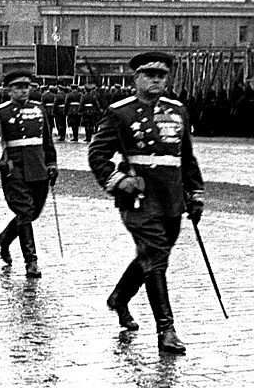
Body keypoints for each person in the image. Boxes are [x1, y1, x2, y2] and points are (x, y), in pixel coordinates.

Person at [88, 51, 203, 355]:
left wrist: (195, 194)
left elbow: (186, 158)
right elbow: (97, 155)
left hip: (171, 198)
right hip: (138, 198)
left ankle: (120, 297)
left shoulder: (178, 111)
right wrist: (118, 181)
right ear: (136, 78)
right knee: (156, 258)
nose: (156, 80)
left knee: (154, 256)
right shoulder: (120, 112)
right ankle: (166, 330)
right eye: (149, 74)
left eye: (161, 75)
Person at [0, 70, 58, 278]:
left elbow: (47, 141)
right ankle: (31, 262)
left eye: (26, 87)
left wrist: (52, 163)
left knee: (33, 213)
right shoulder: (1, 112)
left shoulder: (38, 109)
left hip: (38, 167)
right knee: (24, 213)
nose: (24, 90)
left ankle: (5, 239)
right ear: (9, 91)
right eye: (18, 87)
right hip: (15, 169)